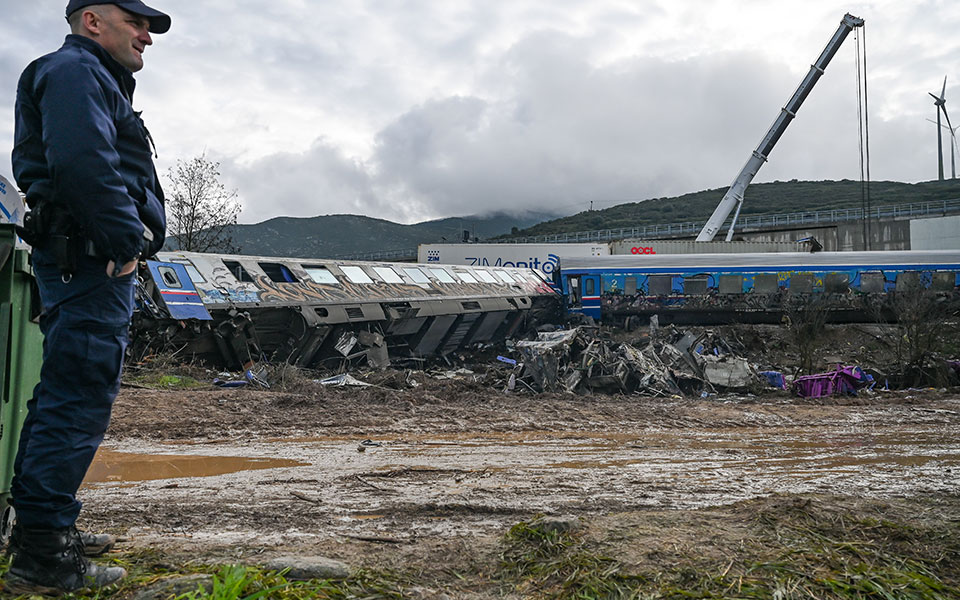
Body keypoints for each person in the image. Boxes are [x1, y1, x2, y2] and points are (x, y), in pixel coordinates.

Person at [7, 0, 169, 594]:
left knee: (65, 396)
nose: (147, 36)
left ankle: (40, 531)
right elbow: (81, 162)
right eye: (137, 22)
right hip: (91, 259)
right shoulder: (76, 71)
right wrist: (125, 239)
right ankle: (43, 557)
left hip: (87, 259)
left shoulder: (95, 78)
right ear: (93, 21)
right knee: (76, 400)